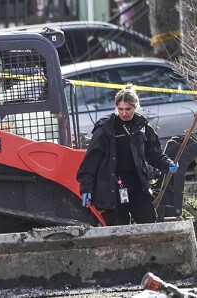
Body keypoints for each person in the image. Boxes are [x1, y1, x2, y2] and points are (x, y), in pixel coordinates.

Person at [76, 84, 178, 225]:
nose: (124, 113)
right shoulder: (105, 129)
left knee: (148, 222)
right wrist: (86, 186)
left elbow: (154, 154)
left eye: (128, 109)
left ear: (135, 107)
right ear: (116, 107)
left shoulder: (143, 127)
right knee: (119, 226)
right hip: (113, 188)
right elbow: (90, 161)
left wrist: (167, 163)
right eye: (120, 109)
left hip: (137, 185)